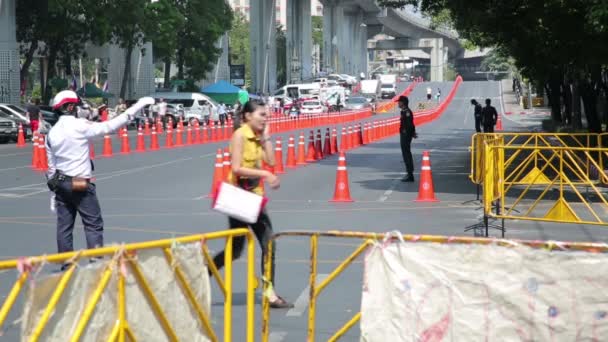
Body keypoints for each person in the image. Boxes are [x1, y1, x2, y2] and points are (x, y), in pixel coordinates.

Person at [45, 90, 154, 266]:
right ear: (70, 107)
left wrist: (53, 194)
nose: (81, 109)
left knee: (64, 227)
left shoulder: (51, 133)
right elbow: (110, 126)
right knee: (93, 224)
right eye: (78, 106)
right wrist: (139, 105)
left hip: (61, 183)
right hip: (79, 182)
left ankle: (66, 266)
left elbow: (51, 168)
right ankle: (96, 264)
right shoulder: (79, 125)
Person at [211, 99, 293, 309]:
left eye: (267, 115)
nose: (266, 119)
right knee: (261, 244)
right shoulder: (239, 136)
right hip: (240, 196)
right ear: (248, 116)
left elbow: (272, 161)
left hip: (253, 196)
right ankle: (269, 293)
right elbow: (237, 168)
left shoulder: (257, 137)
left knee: (245, 248)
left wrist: (266, 138)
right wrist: (265, 173)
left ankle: (269, 291)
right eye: (262, 115)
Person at [398, 96, 417, 182]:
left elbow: (410, 124)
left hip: (405, 135)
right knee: (405, 154)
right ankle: (409, 173)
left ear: (403, 103)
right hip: (404, 134)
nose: (398, 103)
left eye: (399, 102)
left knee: (406, 154)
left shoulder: (407, 112)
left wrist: (411, 133)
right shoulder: (403, 112)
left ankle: (410, 174)